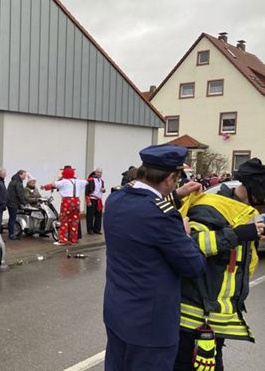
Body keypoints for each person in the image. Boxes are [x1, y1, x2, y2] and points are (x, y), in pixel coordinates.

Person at [103, 144, 207, 371]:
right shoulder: (163, 216)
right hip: (150, 326)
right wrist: (185, 234)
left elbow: (143, 211)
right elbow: (194, 266)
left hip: (118, 312)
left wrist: (176, 195)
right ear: (170, 178)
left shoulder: (116, 199)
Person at [173, 158, 265, 370]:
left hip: (214, 318)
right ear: (256, 194)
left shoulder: (241, 212)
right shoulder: (210, 209)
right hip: (194, 318)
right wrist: (236, 235)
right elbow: (191, 246)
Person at [44, 166, 88, 245]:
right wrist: (76, 177)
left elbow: (53, 184)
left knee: (64, 220)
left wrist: (44, 187)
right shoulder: (78, 181)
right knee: (74, 221)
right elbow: (87, 182)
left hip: (67, 201)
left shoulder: (64, 181)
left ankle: (63, 240)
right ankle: (73, 239)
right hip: (76, 201)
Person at [6, 170, 27, 240]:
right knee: (12, 219)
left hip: (10, 203)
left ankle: (11, 232)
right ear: (20, 175)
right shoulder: (18, 182)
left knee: (11, 218)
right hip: (13, 203)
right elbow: (20, 194)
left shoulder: (13, 181)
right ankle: (11, 234)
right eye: (24, 175)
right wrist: (24, 203)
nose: (25, 176)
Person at [85, 168, 105, 235]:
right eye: (98, 172)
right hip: (92, 199)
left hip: (99, 200)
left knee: (99, 215)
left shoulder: (102, 181)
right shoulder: (90, 180)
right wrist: (88, 201)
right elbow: (87, 192)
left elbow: (101, 189)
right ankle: (90, 229)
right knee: (90, 215)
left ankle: (97, 229)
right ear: (95, 172)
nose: (99, 174)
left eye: (101, 172)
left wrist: (103, 190)